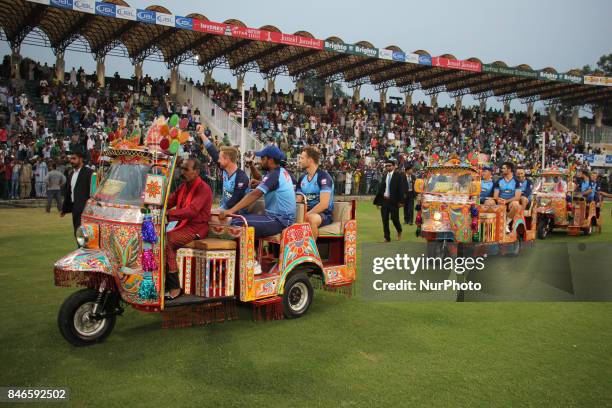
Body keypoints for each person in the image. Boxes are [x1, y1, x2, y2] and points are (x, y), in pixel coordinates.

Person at [219, 145, 296, 239]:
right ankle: (253, 250)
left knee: (237, 222)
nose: (260, 161)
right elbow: (267, 182)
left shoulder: (274, 175)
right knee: (240, 218)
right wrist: (259, 182)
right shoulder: (280, 172)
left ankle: (245, 253)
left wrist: (230, 210)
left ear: (271, 160)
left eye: (263, 158)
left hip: (279, 220)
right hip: (280, 218)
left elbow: (255, 194)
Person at [164, 158, 212, 300]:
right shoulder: (183, 186)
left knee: (168, 241)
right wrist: (154, 203)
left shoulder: (203, 188)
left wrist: (169, 213)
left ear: (196, 172)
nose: (182, 171)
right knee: (157, 236)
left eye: (186, 169)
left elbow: (192, 211)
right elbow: (169, 200)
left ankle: (174, 288)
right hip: (183, 225)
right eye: (182, 168)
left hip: (197, 228)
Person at [198, 128, 249, 213]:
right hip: (224, 212)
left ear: (227, 159)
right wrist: (201, 134)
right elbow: (211, 151)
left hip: (237, 216)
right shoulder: (224, 169)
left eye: (220, 158)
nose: (218, 160)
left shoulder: (241, 177)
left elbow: (235, 199)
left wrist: (217, 211)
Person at [296, 146, 334, 239]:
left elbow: (324, 204)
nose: (299, 161)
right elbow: (298, 201)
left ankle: (311, 252)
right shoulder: (302, 178)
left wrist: (305, 215)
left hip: (323, 214)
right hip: (306, 211)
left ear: (310, 160)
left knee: (311, 219)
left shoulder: (324, 177)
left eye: (302, 158)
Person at [61, 152, 93, 236]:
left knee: (86, 235)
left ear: (81, 159)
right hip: (75, 208)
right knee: (77, 233)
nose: (71, 161)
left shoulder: (89, 173)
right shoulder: (71, 174)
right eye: (71, 159)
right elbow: (69, 193)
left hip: (86, 209)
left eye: (74, 159)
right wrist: (64, 209)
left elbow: (93, 192)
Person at [374, 159, 404, 242]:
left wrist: (401, 202)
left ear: (394, 166)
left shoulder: (398, 176)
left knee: (394, 219)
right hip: (384, 200)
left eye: (389, 165)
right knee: (384, 219)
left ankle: (399, 230)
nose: (388, 167)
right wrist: (378, 202)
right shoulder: (384, 176)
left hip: (394, 201)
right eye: (386, 166)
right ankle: (387, 238)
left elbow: (401, 189)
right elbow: (381, 189)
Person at [492, 161, 522, 233]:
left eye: (504, 168)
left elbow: (517, 197)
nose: (502, 170)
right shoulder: (499, 181)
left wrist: (506, 201)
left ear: (509, 169)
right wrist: (499, 199)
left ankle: (506, 224)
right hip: (500, 201)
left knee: (515, 204)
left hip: (511, 202)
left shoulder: (516, 181)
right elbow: (495, 196)